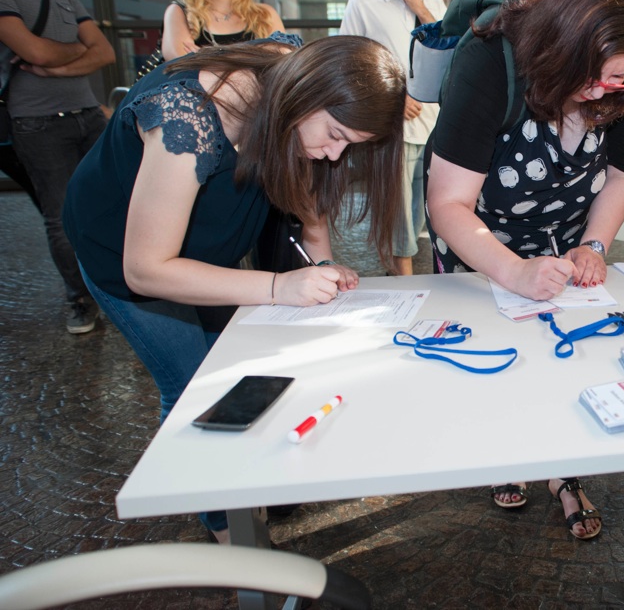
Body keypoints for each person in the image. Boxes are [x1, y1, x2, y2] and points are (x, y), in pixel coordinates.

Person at [62, 34, 406, 541]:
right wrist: (278, 285)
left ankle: (252, 484)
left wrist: (323, 258)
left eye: (349, 145)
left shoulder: (293, 85)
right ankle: (229, 530)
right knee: (193, 388)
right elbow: (147, 268)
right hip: (125, 258)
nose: (335, 155)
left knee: (244, 370)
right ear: (305, 94)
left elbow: (306, 183)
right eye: (335, 135)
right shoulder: (188, 118)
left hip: (205, 254)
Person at [424, 0, 624, 539]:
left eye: (619, 78)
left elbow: (623, 174)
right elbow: (449, 204)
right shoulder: (491, 61)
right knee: (495, 346)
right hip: (479, 229)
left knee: (563, 347)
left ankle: (563, 468)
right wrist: (513, 271)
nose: (602, 92)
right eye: (592, 77)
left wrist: (594, 244)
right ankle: (506, 450)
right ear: (560, 49)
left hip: (562, 227)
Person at [0, 0, 117, 335]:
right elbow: (35, 51)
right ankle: (81, 300)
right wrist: (71, 54)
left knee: (115, 201)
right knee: (62, 215)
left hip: (89, 115)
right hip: (37, 124)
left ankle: (121, 287)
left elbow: (103, 51)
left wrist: (57, 67)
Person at [340, 0, 447, 276]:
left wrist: (420, 9)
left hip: (434, 128)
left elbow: (452, 50)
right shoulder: (361, 3)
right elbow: (351, 64)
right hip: (392, 131)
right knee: (400, 228)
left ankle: (407, 286)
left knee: (425, 218)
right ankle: (407, 295)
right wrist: (393, 97)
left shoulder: (432, 1)